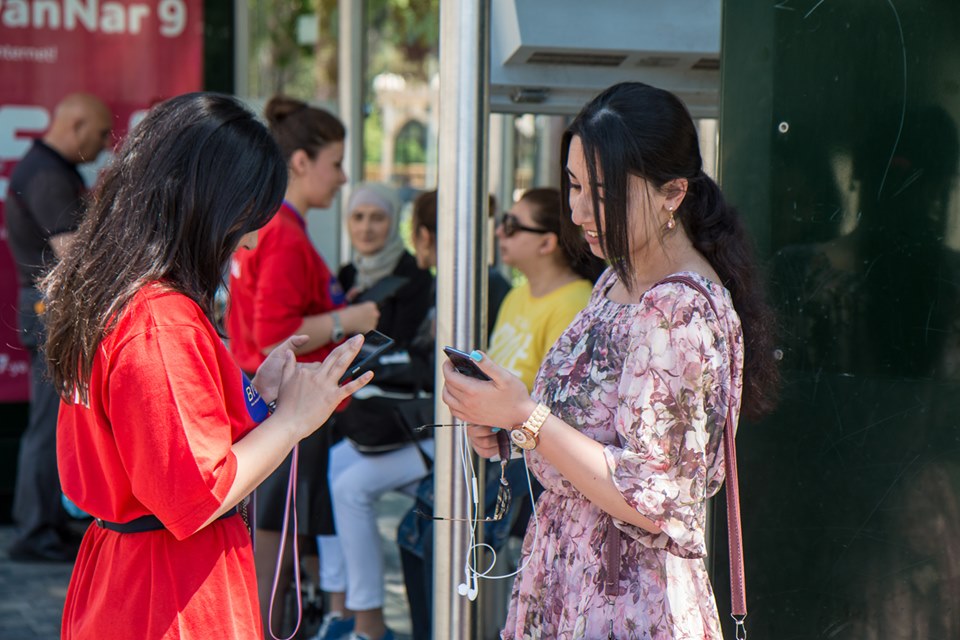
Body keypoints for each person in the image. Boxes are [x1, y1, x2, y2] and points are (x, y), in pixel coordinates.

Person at [441, 82, 780, 639]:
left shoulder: (677, 311)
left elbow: (652, 496)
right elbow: (592, 436)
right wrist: (511, 427)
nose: (577, 211)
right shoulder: (617, 277)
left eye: (601, 191)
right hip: (577, 576)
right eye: (573, 186)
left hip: (630, 599)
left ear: (673, 193)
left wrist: (527, 418)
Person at [43, 92, 374, 639]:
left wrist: (256, 399)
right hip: (169, 593)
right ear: (211, 205)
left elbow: (154, 449)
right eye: (248, 218)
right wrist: (295, 419)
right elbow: (197, 496)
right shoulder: (158, 319)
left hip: (131, 576)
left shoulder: (118, 293)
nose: (247, 242)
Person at [225, 95, 380, 634]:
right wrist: (349, 316)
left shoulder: (272, 228)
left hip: (269, 407)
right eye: (335, 163)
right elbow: (275, 337)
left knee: (273, 542)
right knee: (273, 551)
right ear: (301, 163)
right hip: (285, 411)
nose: (342, 178)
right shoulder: (286, 235)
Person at [314, 183, 434, 640]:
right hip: (366, 419)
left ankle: (367, 623)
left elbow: (397, 349)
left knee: (348, 486)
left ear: (394, 223)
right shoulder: (346, 273)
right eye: (358, 217)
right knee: (330, 467)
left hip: (406, 420)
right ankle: (339, 606)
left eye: (377, 218)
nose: (366, 227)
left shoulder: (415, 275)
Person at [5, 92, 113, 563]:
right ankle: (34, 532)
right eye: (102, 133)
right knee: (49, 424)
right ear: (75, 123)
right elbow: (73, 250)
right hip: (50, 310)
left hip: (50, 308)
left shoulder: (47, 169)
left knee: (55, 421)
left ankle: (46, 523)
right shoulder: (47, 174)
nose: (106, 143)